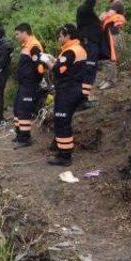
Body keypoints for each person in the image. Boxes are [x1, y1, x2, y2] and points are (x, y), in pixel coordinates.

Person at [47, 24, 87, 166]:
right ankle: (62, 150)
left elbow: (58, 70)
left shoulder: (70, 51)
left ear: (68, 35)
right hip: (75, 89)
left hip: (66, 91)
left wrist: (47, 62)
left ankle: (64, 156)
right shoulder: (79, 48)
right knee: (64, 121)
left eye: (60, 35)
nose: (59, 38)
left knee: (62, 122)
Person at [12, 23, 46, 148]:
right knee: (17, 108)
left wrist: (36, 80)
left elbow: (40, 66)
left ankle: (25, 138)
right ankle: (19, 134)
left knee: (24, 110)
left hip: (30, 84)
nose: (16, 36)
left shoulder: (34, 45)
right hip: (23, 84)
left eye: (17, 34)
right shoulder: (26, 45)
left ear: (24, 32)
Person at [76, 0, 103, 102]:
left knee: (89, 69)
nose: (97, 0)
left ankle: (83, 97)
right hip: (89, 44)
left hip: (91, 43)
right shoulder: (84, 8)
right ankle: (83, 99)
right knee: (89, 69)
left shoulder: (88, 12)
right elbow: (89, 3)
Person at [99, 0, 126, 90]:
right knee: (108, 56)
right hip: (108, 33)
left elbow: (103, 17)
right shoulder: (112, 4)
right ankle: (107, 78)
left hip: (113, 33)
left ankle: (111, 81)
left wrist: (103, 15)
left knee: (112, 57)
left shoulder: (117, 4)